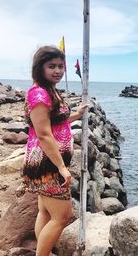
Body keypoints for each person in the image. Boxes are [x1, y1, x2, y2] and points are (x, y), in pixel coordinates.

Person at [20, 45, 88, 256]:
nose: (58, 70)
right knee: (62, 216)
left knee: (46, 212)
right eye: (52, 66)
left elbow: (55, 121)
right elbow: (44, 134)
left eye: (61, 66)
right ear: (40, 68)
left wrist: (76, 115)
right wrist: (62, 168)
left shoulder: (48, 90)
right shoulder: (39, 94)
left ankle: (44, 251)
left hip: (48, 160)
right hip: (47, 163)